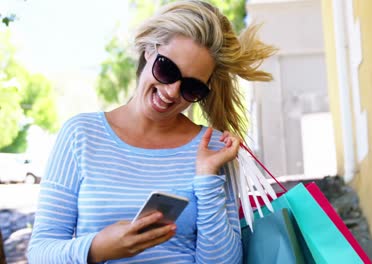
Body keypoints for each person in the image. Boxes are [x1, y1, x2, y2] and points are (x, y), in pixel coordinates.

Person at [27, 0, 276, 263]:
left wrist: (206, 178)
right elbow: (40, 252)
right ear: (148, 49)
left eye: (191, 87)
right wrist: (97, 248)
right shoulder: (80, 135)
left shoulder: (213, 148)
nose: (171, 92)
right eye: (167, 69)